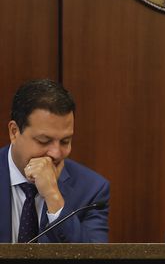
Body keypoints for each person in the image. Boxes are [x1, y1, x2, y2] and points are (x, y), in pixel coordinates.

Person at [0, 79, 109, 243]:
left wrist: (53, 197)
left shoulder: (91, 190)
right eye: (44, 141)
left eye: (65, 141)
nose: (56, 153)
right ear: (14, 132)